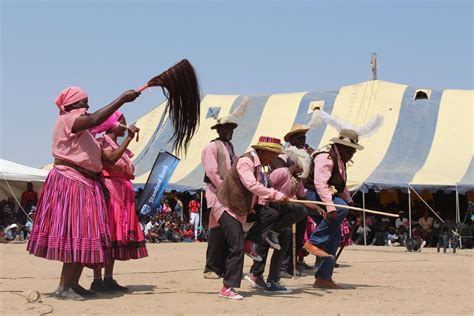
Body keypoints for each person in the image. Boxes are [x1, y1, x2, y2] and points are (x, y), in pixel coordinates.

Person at [27, 86, 141, 300]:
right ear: (71, 105)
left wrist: (127, 139)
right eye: (83, 102)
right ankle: (64, 286)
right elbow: (95, 119)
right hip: (71, 182)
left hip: (85, 183)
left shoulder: (84, 134)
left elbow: (108, 159)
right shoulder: (69, 120)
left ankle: (73, 284)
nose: (87, 106)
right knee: (75, 233)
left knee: (84, 235)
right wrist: (122, 99)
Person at [212, 136, 289, 300]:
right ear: (262, 151)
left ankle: (250, 241)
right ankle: (227, 287)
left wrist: (274, 198)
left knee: (271, 214)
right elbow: (252, 185)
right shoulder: (245, 162)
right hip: (227, 207)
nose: (273, 159)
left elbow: (258, 191)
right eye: (272, 155)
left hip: (243, 208)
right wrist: (275, 194)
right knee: (236, 246)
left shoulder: (261, 167)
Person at [90, 111, 148, 293]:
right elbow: (110, 159)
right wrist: (128, 139)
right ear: (114, 124)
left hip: (122, 193)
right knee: (108, 233)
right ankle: (97, 279)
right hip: (110, 192)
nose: (126, 125)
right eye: (123, 122)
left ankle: (108, 278)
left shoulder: (115, 144)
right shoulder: (103, 142)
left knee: (116, 235)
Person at [246, 150, 318, 293]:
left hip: (282, 219)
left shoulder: (298, 181)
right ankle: (256, 274)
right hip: (271, 212)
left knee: (282, 246)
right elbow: (265, 187)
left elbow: (302, 199)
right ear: (297, 164)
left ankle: (273, 279)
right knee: (264, 245)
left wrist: (317, 207)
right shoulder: (281, 172)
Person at [304, 129, 364, 289]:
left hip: (325, 196)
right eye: (350, 150)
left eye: (353, 151)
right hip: (311, 196)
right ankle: (313, 242)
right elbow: (320, 184)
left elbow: (339, 186)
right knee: (340, 208)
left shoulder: (340, 160)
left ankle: (323, 277)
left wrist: (350, 202)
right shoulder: (325, 157)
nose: (352, 154)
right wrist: (332, 208)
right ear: (339, 146)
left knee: (335, 234)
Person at [201, 118, 239, 279]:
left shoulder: (230, 147)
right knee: (217, 229)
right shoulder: (212, 147)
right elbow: (211, 172)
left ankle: (222, 266)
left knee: (226, 230)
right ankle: (211, 267)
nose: (229, 131)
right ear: (218, 130)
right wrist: (225, 188)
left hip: (228, 192)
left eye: (231, 128)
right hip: (216, 192)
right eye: (225, 128)